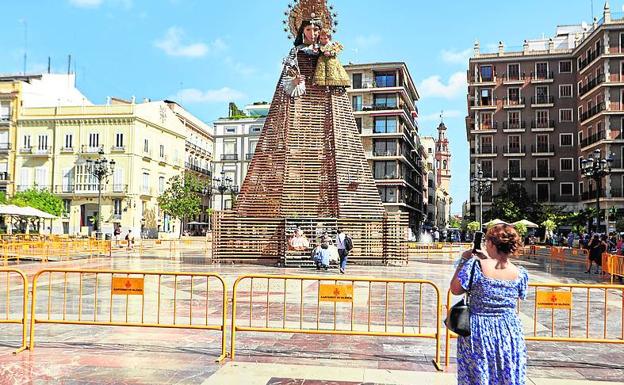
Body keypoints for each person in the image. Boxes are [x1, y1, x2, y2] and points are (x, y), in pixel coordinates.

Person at [450, 224, 528, 385]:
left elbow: (455, 289)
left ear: (491, 244)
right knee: (506, 373)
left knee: (478, 374)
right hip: (509, 330)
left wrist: (465, 259)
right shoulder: (520, 273)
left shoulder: (475, 266)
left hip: (479, 329)